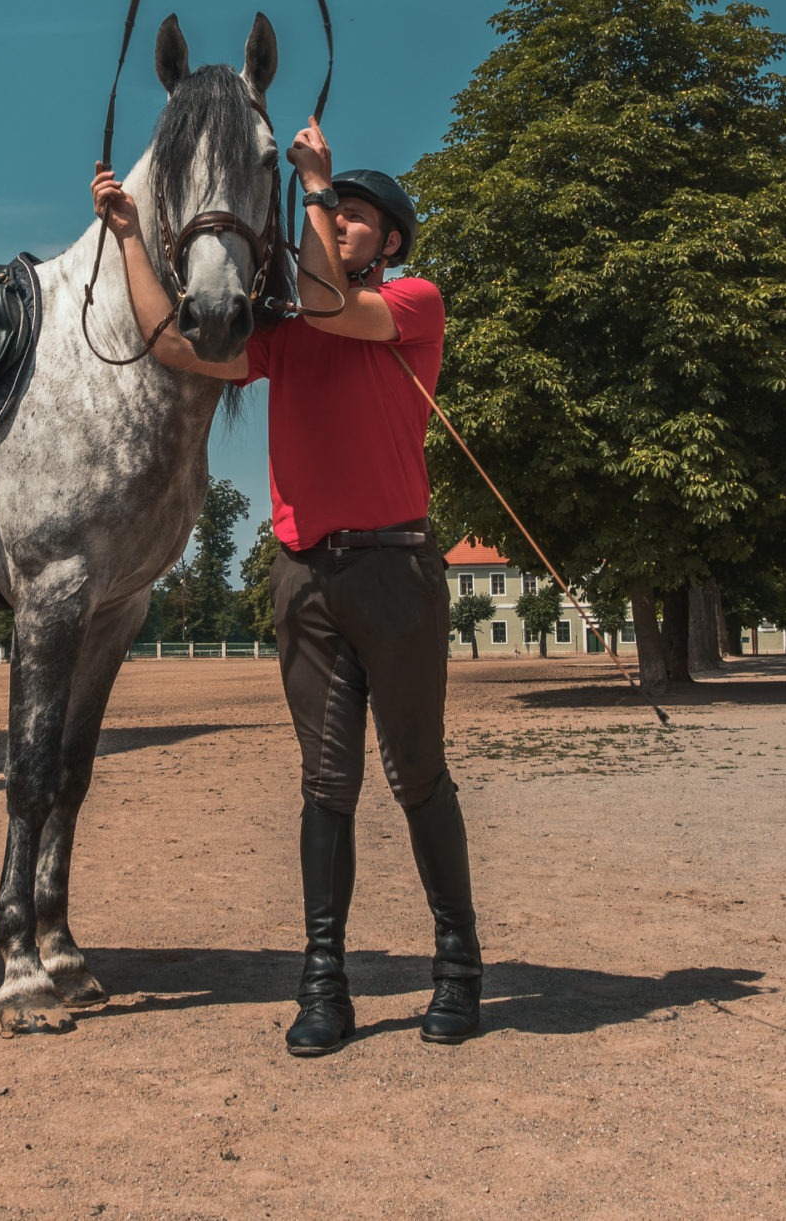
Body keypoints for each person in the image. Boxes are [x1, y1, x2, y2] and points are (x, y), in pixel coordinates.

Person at [91, 116, 480, 1054]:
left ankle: (460, 969)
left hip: (397, 571)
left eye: (354, 216)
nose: (337, 221)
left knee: (416, 772)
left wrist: (311, 182)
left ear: (388, 240)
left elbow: (325, 299)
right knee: (326, 783)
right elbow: (171, 344)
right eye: (330, 211)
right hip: (303, 578)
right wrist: (132, 236)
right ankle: (324, 984)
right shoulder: (288, 336)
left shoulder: (410, 302)